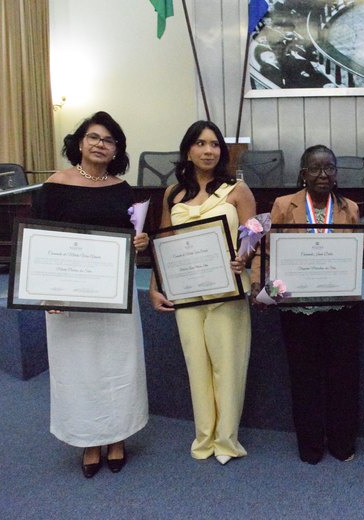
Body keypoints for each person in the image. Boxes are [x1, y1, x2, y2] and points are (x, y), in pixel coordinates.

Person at [33, 111, 149, 478]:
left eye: (109, 140)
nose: (101, 145)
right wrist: (45, 293)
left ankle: (117, 438)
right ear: (80, 142)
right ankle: (87, 439)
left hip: (115, 295)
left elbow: (129, 241)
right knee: (78, 368)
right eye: (94, 137)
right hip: (68, 298)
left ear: (117, 150)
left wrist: (139, 243)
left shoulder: (122, 189)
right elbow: (38, 239)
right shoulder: (55, 185)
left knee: (118, 365)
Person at [249, 145, 364, 464]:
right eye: (315, 169)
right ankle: (310, 445)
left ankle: (342, 441)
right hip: (298, 307)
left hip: (340, 307)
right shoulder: (282, 205)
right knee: (304, 378)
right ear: (303, 174)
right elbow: (264, 250)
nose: (323, 175)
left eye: (329, 168)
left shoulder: (349, 207)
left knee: (343, 377)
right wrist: (257, 284)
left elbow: (349, 254)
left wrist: (363, 247)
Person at [149, 121, 256, 465]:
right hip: (187, 293)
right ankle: (204, 437)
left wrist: (245, 256)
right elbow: (164, 242)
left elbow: (252, 239)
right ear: (188, 150)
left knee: (228, 366)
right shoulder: (172, 194)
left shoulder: (238, 190)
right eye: (200, 143)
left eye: (214, 144)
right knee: (197, 366)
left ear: (221, 151)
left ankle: (226, 441)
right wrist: (155, 286)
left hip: (227, 291)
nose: (208, 150)